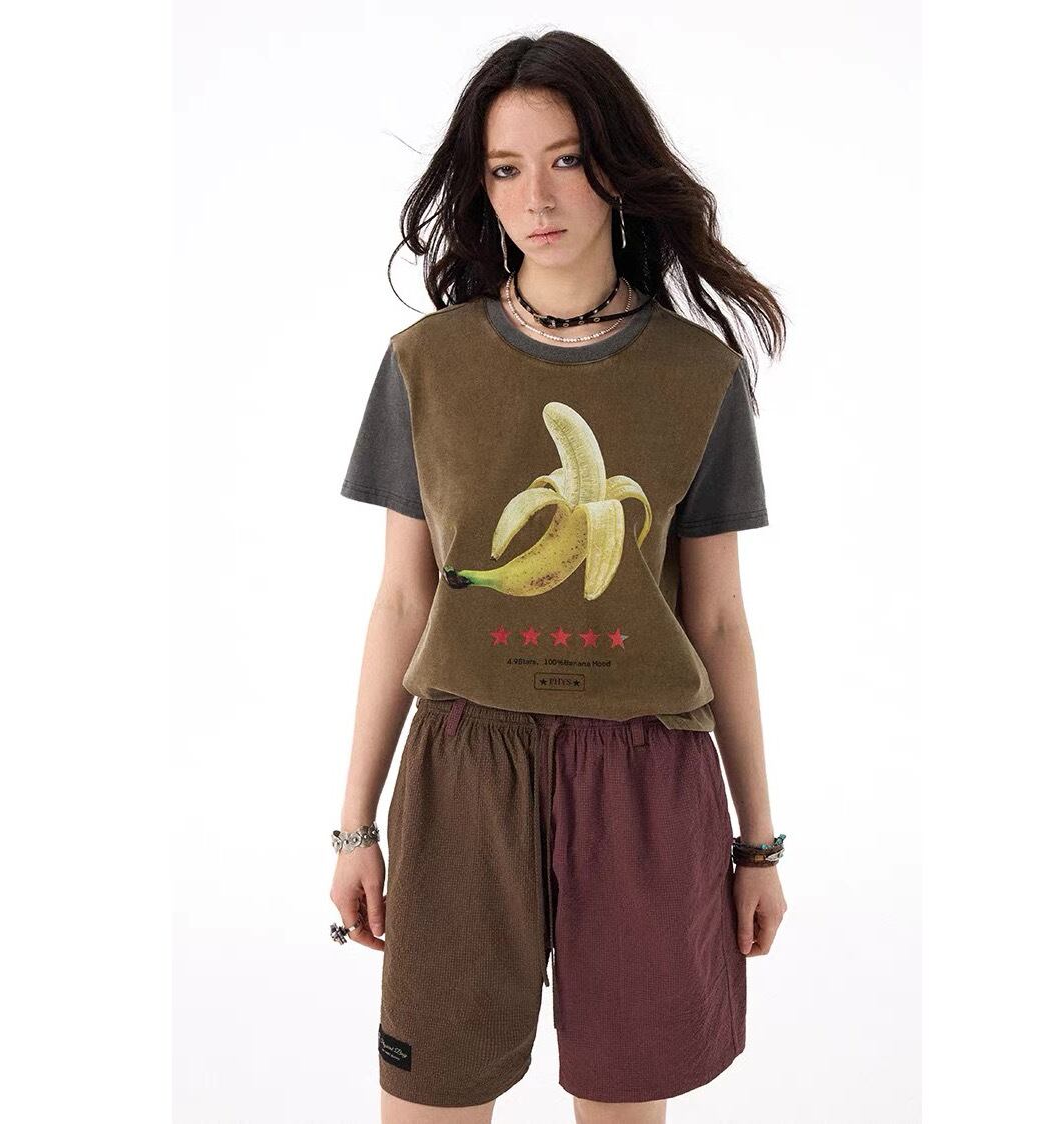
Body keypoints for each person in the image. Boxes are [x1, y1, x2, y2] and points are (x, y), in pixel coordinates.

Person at [329, 30, 788, 1124]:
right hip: (462, 769)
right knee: (427, 1095)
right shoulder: (426, 363)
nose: (536, 196)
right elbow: (403, 600)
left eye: (567, 158)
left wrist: (757, 844)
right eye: (505, 168)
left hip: (645, 778)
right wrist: (355, 825)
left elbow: (718, 618)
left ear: (617, 167)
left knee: (621, 1104)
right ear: (480, 186)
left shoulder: (697, 372)